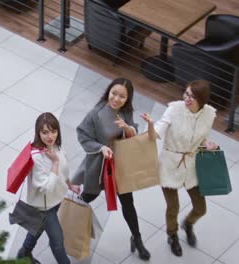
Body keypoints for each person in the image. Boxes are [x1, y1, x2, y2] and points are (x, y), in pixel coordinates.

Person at [73, 77, 151, 261]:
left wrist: (127, 128)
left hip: (119, 166)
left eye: (122, 96)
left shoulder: (125, 112)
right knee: (86, 198)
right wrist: (101, 147)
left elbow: (133, 134)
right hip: (98, 166)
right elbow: (82, 135)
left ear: (127, 99)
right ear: (108, 91)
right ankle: (64, 224)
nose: (116, 99)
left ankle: (137, 239)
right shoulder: (96, 113)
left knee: (127, 202)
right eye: (114, 93)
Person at [141, 80, 217, 257]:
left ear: (202, 100)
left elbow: (203, 137)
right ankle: (172, 235)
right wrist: (151, 126)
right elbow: (157, 133)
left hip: (192, 165)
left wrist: (207, 143)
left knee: (201, 208)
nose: (187, 99)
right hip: (170, 165)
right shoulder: (174, 109)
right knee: (173, 206)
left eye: (193, 96)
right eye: (186, 93)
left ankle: (188, 224)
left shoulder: (209, 114)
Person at [17, 112, 80, 264]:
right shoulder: (36, 157)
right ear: (38, 133)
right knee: (57, 241)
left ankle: (24, 252)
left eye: (53, 131)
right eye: (45, 132)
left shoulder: (56, 147)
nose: (50, 136)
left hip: (55, 200)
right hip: (42, 207)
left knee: (37, 228)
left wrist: (70, 184)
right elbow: (46, 188)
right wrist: (55, 163)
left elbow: (64, 170)